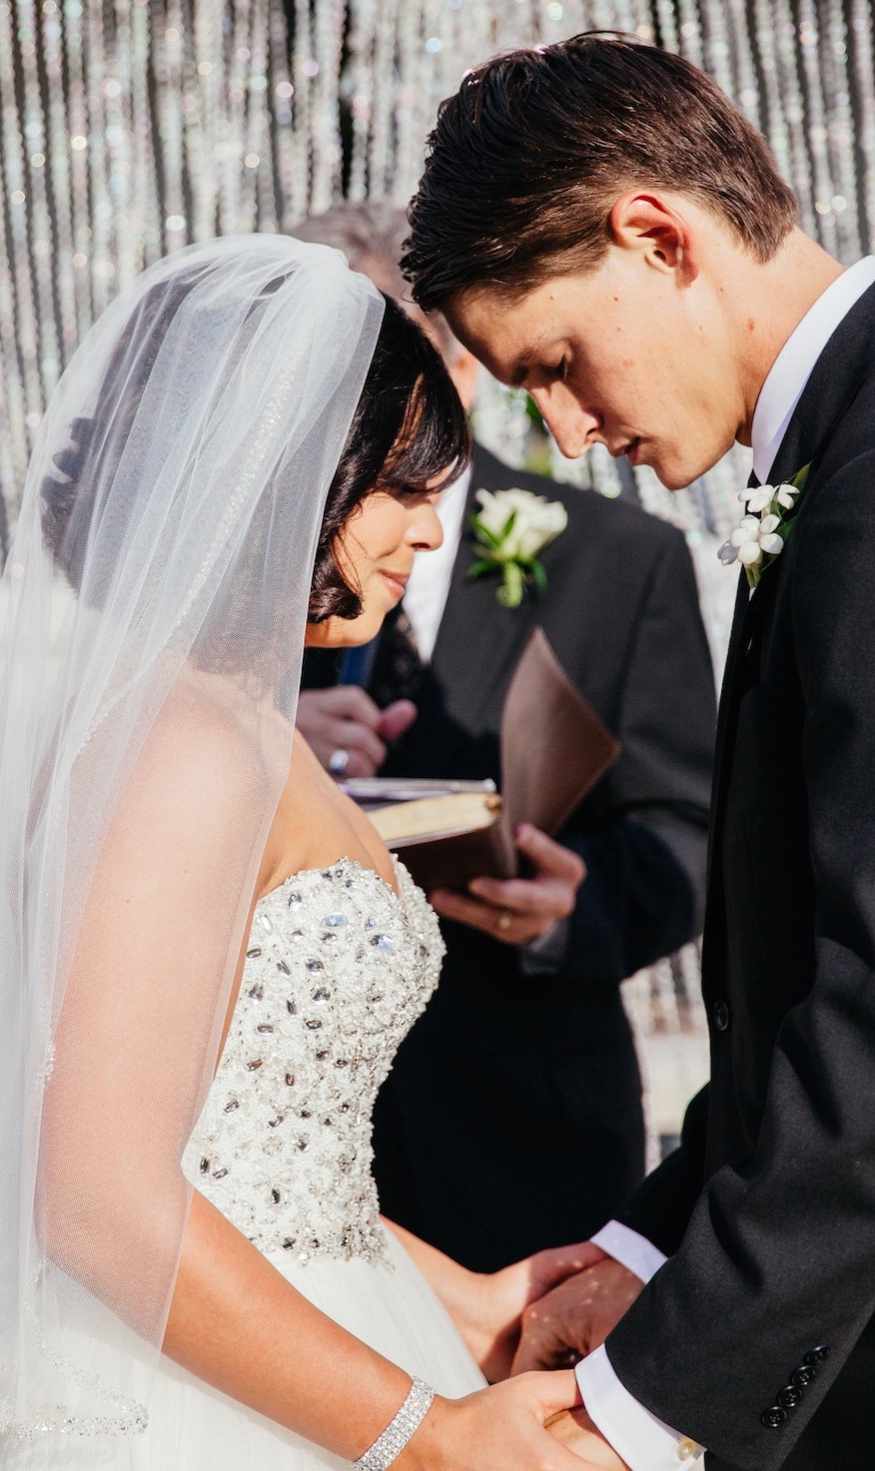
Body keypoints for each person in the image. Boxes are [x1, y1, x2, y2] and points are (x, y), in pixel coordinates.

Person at [402, 32, 875, 1471]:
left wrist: (626, 1402)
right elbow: (805, 987)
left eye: (550, 362)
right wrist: (643, 1245)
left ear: (654, 236)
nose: (563, 431)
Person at [0, 234, 631, 1471]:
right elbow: (102, 1192)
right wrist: (418, 1440)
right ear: (295, 474)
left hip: (311, 1327)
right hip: (196, 1423)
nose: (430, 525)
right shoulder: (185, 743)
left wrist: (468, 1300)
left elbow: (249, 1160)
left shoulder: (240, 719)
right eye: (405, 484)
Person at [289, 204, 716, 1288]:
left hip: (534, 1138)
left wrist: (577, 908)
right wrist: (269, 745)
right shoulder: (237, 593)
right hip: (299, 1141)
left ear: (459, 373)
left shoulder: (620, 562)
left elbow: (694, 831)